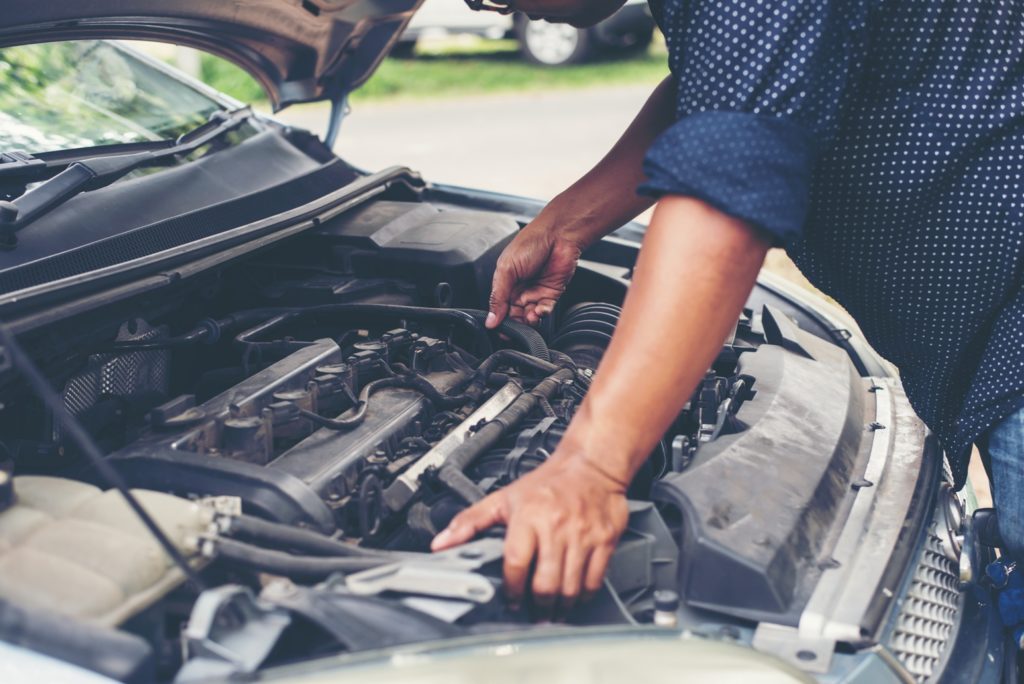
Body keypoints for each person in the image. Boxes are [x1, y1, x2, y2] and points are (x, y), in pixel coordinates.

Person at [431, 0, 1024, 620]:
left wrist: (590, 467)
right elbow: (725, 93)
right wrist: (566, 225)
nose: (478, 1)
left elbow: (729, 180)